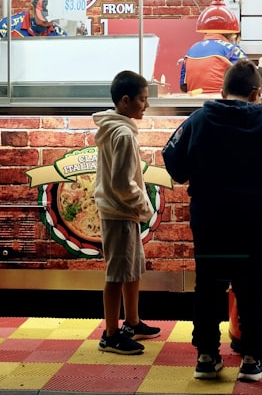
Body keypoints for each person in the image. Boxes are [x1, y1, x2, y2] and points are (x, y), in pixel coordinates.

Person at [162, 59, 262, 382]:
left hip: (209, 219)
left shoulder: (198, 119)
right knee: (249, 286)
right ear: (256, 94)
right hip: (250, 221)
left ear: (223, 91)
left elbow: (173, 160)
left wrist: (190, 172)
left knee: (208, 286)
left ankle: (207, 357)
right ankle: (252, 359)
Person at [92, 70, 162, 355]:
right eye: (142, 100)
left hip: (123, 212)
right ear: (125, 101)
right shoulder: (122, 134)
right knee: (117, 274)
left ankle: (131, 322)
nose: (146, 105)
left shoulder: (119, 129)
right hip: (119, 212)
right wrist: (143, 205)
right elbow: (122, 183)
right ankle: (110, 334)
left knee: (132, 269)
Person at [0, 0, 66, 51]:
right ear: (31, 9)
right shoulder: (8, 26)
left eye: (52, 19)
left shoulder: (60, 35)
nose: (48, 22)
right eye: (44, 18)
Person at [177, 31, 249, 93]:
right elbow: (251, 76)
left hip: (195, 105)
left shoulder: (191, 49)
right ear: (234, 36)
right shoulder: (231, 48)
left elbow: (183, 86)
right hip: (223, 103)